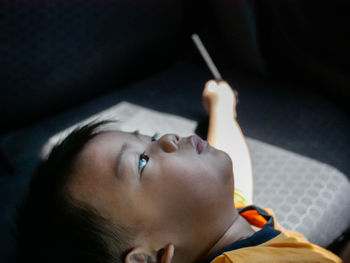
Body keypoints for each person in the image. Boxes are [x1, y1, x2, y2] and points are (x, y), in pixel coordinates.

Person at [15, 80, 342, 263]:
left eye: (153, 138)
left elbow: (234, 172)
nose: (169, 138)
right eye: (142, 162)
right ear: (147, 259)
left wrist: (222, 110)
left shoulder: (225, 221)